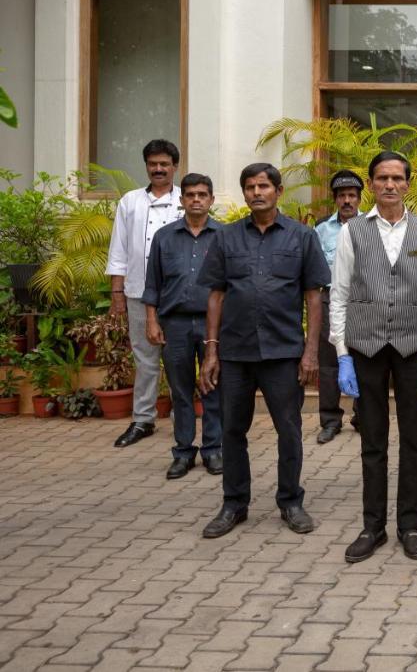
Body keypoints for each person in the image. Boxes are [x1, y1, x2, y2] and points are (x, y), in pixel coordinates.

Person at [196, 163, 330, 540]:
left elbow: (314, 298)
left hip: (283, 352)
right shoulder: (225, 239)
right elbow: (216, 295)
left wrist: (310, 352)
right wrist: (211, 352)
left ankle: (290, 501)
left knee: (289, 430)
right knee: (232, 430)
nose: (257, 192)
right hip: (235, 353)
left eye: (264, 186)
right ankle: (234, 504)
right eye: (250, 187)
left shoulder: (302, 238)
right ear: (244, 194)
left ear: (279, 191)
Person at [330, 151, 417, 563]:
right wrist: (342, 353)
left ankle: (411, 525)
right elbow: (340, 294)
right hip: (366, 347)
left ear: (407, 183)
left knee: (415, 441)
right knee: (373, 440)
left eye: (397, 178)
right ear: (370, 184)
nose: (389, 185)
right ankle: (373, 526)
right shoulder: (352, 232)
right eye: (381, 177)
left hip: (414, 348)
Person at [142, 173, 223, 479]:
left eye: (202, 194)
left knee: (213, 387)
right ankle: (183, 452)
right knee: (180, 390)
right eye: (190, 195)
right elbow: (153, 284)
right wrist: (152, 320)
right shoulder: (164, 237)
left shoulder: (224, 236)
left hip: (212, 325)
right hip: (174, 323)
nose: (196, 200)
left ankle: (214, 449)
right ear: (181, 200)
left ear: (211, 200)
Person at [106, 138, 185, 448]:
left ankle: (183, 419)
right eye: (153, 164)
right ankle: (143, 419)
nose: (158, 169)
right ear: (146, 167)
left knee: (178, 359)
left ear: (175, 167)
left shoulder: (186, 199)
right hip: (138, 292)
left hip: (179, 296)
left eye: (164, 163)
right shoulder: (130, 202)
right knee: (145, 359)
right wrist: (117, 293)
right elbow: (119, 249)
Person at [314, 169, 364, 444]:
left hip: (363, 302)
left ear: (359, 198)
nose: (347, 201)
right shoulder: (321, 230)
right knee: (329, 362)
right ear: (335, 199)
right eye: (342, 196)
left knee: (364, 358)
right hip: (330, 300)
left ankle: (362, 416)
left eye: (352, 196)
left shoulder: (371, 224)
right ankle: (330, 419)